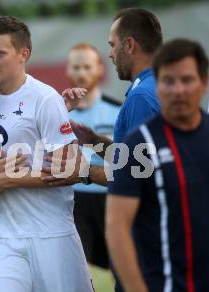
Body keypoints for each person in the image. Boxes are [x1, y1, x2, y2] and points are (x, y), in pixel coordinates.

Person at [0, 16, 98, 292]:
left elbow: (69, 171)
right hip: (1, 236)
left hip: (50, 233)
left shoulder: (45, 99)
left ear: (24, 54)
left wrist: (6, 180)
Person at [106, 38, 209, 292]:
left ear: (204, 82)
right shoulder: (136, 146)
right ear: (158, 85)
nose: (177, 90)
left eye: (186, 80)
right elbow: (117, 227)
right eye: (168, 81)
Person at [47, 8, 163, 188]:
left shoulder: (141, 96)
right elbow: (133, 159)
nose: (110, 54)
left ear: (129, 45)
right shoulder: (156, 85)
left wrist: (84, 170)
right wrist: (95, 142)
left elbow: (138, 175)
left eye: (112, 45)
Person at [66, 42, 121, 269]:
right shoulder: (60, 112)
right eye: (76, 67)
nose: (81, 73)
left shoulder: (118, 110)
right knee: (79, 271)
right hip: (75, 199)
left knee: (119, 267)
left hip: (111, 197)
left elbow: (124, 159)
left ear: (100, 69)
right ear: (68, 70)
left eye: (87, 67)